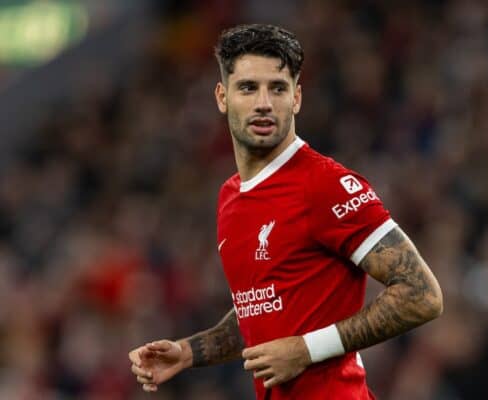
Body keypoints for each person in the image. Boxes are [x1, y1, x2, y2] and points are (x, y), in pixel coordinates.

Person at [129, 24, 443, 399]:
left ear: (296, 98)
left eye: (277, 88)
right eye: (248, 88)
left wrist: (306, 350)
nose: (264, 102)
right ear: (222, 96)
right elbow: (262, 315)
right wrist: (187, 352)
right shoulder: (231, 198)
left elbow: (422, 294)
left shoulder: (324, 184)